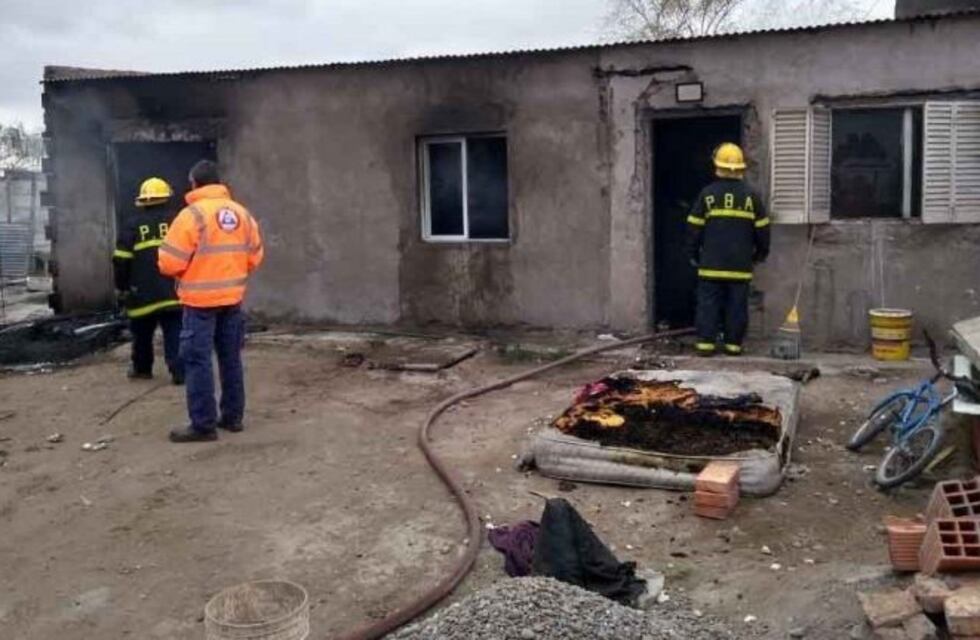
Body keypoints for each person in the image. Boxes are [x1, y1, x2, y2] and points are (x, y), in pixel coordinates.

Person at [158, 160, 264, 442]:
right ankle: (232, 418)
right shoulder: (242, 214)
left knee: (197, 361)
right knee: (230, 358)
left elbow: (169, 263)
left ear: (194, 183)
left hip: (199, 303)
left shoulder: (191, 216)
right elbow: (255, 256)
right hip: (232, 300)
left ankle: (203, 425)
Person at [686, 143, 770, 357]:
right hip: (740, 266)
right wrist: (760, 254)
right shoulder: (752, 197)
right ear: (741, 167)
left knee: (708, 305)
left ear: (717, 166)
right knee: (736, 306)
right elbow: (763, 231)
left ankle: (706, 345)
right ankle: (734, 345)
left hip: (710, 265)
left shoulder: (707, 195)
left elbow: (694, 228)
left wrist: (693, 254)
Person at [113, 177, 184, 384]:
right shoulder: (177, 222)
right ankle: (179, 372)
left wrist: (123, 288)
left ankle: (142, 369)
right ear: (167, 198)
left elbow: (121, 260)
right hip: (173, 290)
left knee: (142, 334)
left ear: (142, 200)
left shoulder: (131, 226)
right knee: (175, 332)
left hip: (141, 293)